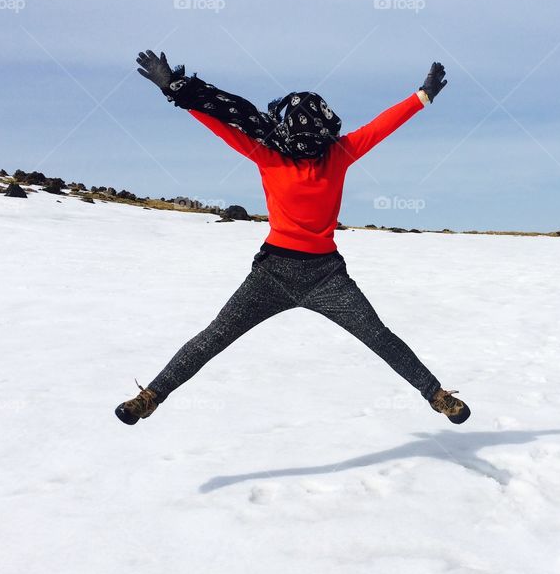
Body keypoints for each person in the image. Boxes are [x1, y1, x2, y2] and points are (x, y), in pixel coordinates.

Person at [115, 51, 470, 426]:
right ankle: (150, 397)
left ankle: (436, 395)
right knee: (214, 337)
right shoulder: (268, 155)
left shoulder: (339, 154)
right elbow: (221, 124)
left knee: (378, 336)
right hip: (272, 275)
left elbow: (382, 126)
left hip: (326, 277)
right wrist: (174, 90)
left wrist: (422, 96)